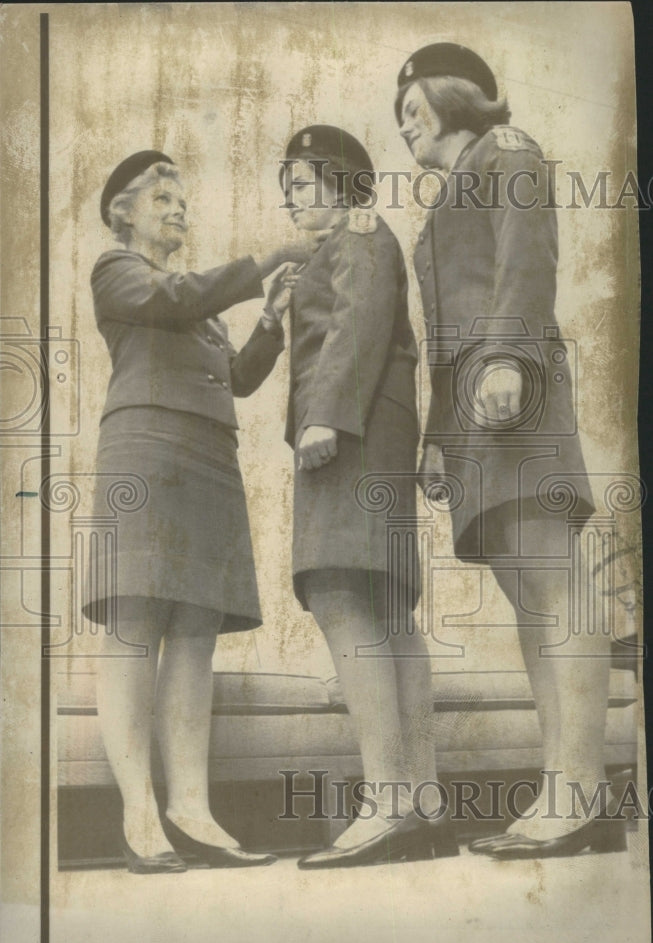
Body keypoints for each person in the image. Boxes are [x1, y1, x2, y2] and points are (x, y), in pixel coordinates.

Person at [395, 44, 626, 858]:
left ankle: (579, 787)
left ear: (452, 93)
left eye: (411, 104)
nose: (403, 124)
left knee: (554, 586)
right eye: (397, 117)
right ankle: (569, 790)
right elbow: (435, 337)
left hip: (510, 385)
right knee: (531, 597)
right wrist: (434, 438)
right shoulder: (439, 203)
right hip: (468, 412)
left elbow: (526, 264)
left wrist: (502, 359)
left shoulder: (511, 151)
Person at [84, 149, 321, 873]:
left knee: (194, 632)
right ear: (122, 211)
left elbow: (239, 381)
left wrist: (273, 321)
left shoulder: (198, 306)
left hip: (207, 462)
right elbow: (177, 298)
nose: (177, 207)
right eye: (161, 197)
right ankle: (139, 816)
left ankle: (191, 808)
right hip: (146, 452)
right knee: (135, 625)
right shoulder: (116, 270)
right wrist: (267, 258)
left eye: (181, 197)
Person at [279, 126, 459, 869]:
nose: (286, 197)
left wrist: (324, 412)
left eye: (297, 181)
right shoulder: (346, 242)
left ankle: (385, 803)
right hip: (373, 430)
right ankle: (420, 800)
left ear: (337, 179)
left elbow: (355, 324)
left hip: (349, 432)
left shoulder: (357, 231)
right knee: (385, 608)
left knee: (341, 593)